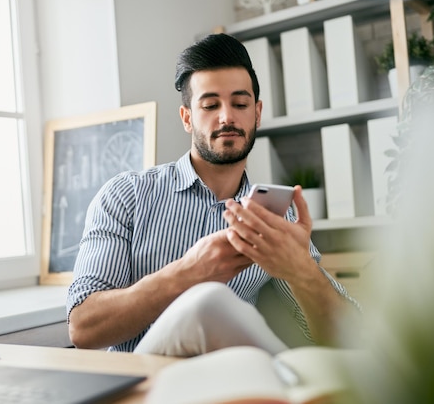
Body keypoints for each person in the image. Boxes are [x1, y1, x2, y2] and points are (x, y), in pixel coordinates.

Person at [66, 33, 360, 356]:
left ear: (257, 113)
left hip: (231, 388)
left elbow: (351, 341)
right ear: (187, 118)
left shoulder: (274, 216)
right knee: (207, 303)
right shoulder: (126, 196)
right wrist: (191, 272)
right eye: (210, 105)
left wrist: (301, 270)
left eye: (240, 103)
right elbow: (83, 327)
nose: (227, 117)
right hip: (148, 389)